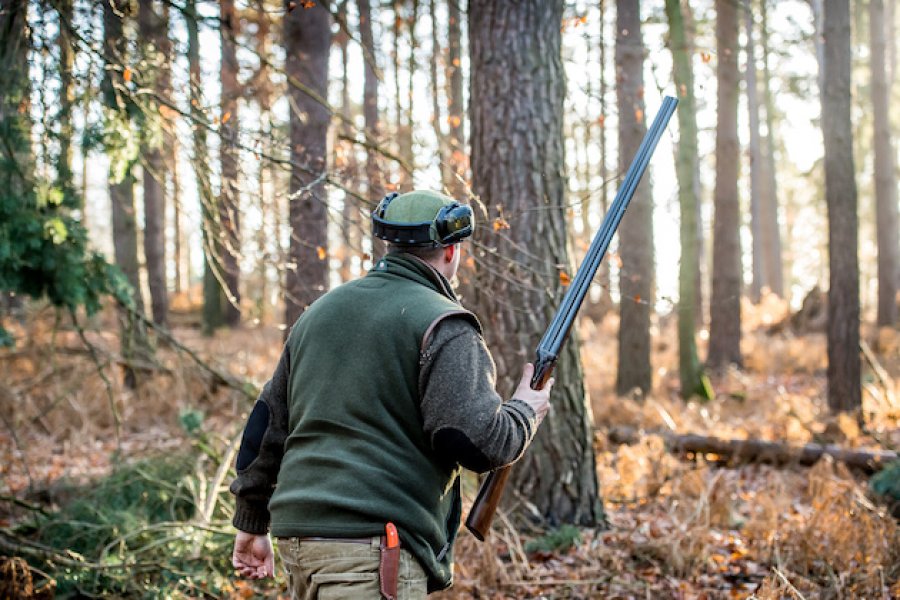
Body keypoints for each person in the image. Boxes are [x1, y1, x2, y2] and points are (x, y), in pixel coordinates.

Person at [229, 190, 552, 599]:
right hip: (369, 549)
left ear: (389, 245)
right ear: (452, 252)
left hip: (299, 541)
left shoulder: (318, 313)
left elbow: (265, 427)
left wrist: (251, 521)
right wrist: (525, 409)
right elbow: (476, 442)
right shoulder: (443, 322)